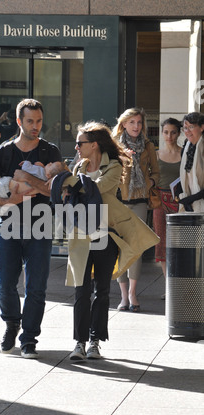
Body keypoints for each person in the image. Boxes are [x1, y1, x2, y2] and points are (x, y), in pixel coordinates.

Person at [51, 121, 159, 360]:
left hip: (107, 234)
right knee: (81, 290)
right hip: (80, 235)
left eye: (80, 143)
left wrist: (67, 181)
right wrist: (70, 183)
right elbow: (70, 191)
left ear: (94, 145)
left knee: (101, 290)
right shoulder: (79, 166)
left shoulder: (114, 166)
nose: (76, 147)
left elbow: (96, 189)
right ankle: (79, 343)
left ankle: (94, 342)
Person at [0, 98, 62, 359]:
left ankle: (29, 338)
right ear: (19, 122)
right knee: (4, 283)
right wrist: (7, 200)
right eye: (30, 121)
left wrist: (27, 179)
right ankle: (11, 324)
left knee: (36, 286)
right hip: (9, 224)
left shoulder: (50, 152)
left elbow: (55, 190)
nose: (36, 125)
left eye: (39, 120)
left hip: (40, 223)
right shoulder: (3, 152)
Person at [112, 107, 160, 312]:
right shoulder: (113, 146)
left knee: (136, 248)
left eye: (139, 123)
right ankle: (123, 296)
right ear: (123, 124)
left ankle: (133, 292)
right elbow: (107, 171)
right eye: (132, 122)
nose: (136, 126)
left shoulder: (148, 146)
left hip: (140, 200)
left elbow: (156, 173)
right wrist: (123, 159)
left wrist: (148, 182)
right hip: (118, 201)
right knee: (120, 248)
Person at [0, 160, 66, 233]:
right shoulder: (46, 183)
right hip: (7, 189)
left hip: (6, 184)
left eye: (51, 165)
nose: (49, 163)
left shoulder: (40, 171)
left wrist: (27, 163)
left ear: (48, 175)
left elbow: (27, 168)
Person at [152, 118, 181, 284]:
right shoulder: (156, 155)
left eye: (173, 132)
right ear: (162, 133)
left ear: (178, 133)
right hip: (160, 201)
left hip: (180, 201)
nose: (169, 136)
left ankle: (178, 282)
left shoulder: (184, 153)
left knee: (179, 243)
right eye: (166, 132)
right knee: (161, 242)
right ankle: (168, 285)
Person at [178, 112, 204, 213]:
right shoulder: (186, 147)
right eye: (185, 128)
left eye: (191, 127)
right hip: (191, 204)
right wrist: (180, 193)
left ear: (202, 127)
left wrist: (192, 199)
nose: (187, 131)